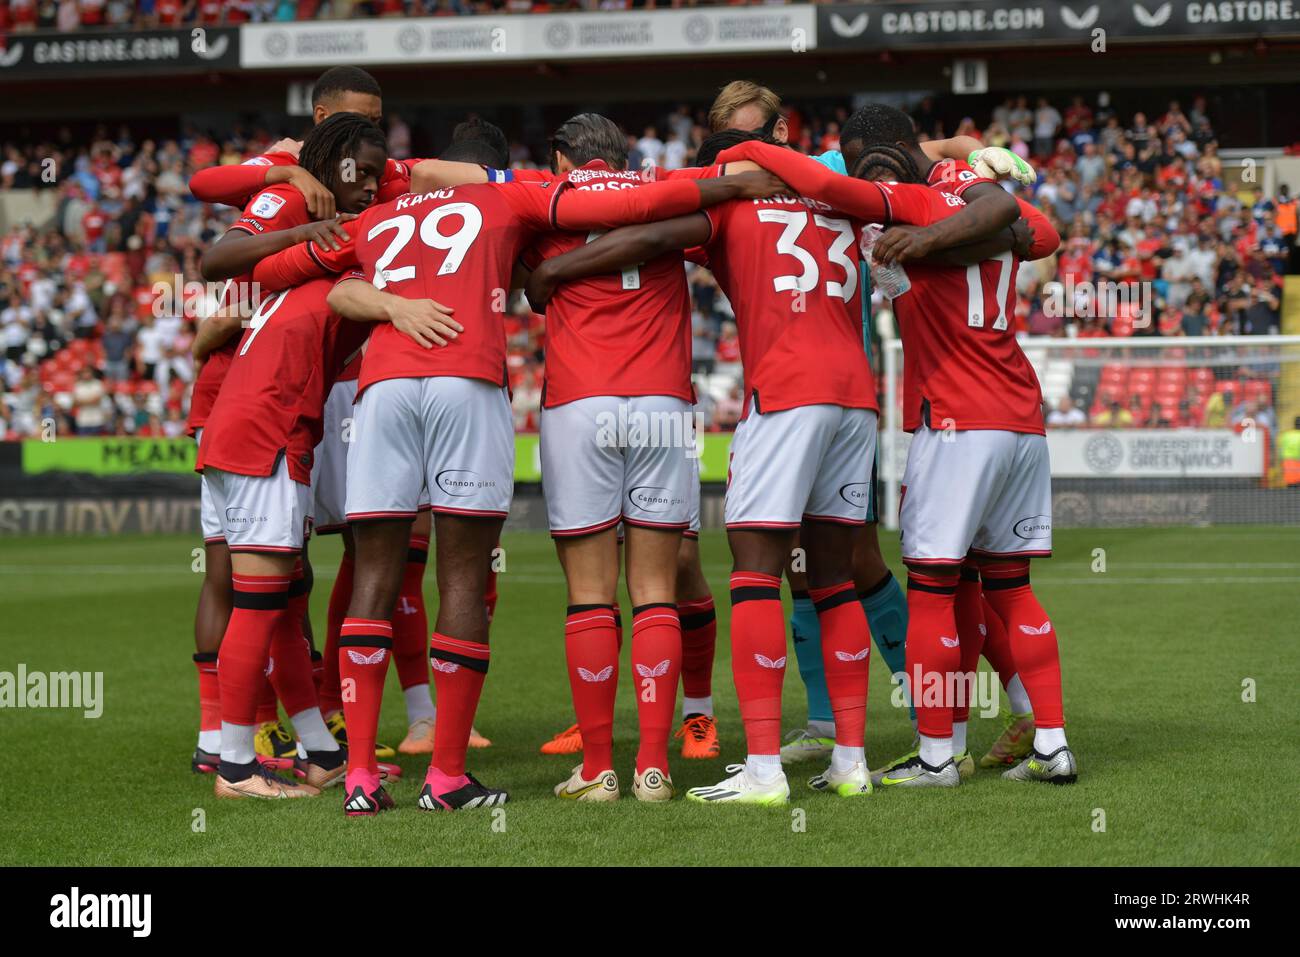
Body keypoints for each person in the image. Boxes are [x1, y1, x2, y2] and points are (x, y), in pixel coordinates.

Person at [254, 148, 785, 814]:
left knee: (375, 576)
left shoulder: (379, 218)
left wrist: (319, 238)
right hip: (558, 389)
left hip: (399, 389)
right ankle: (572, 768)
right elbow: (634, 212)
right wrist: (723, 183)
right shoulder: (515, 197)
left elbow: (276, 272)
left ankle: (363, 777)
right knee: (503, 580)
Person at [528, 133, 1023, 803]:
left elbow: (648, 237)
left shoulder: (735, 204)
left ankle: (762, 769)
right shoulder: (849, 206)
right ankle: (850, 759)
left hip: (785, 395)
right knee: (834, 577)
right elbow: (1022, 230)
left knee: (756, 573)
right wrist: (959, 163)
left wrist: (557, 270)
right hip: (856, 400)